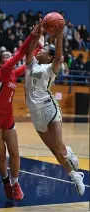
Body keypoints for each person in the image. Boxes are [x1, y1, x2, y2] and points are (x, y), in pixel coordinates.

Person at [0, 23, 43, 200]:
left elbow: (30, 61)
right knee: (1, 155)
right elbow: (20, 54)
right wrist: (32, 35)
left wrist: (40, 44)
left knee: (15, 153)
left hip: (8, 117)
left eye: (10, 55)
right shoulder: (2, 72)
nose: (11, 57)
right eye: (7, 56)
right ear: (2, 62)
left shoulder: (13, 74)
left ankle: (15, 183)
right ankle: (5, 182)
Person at [25, 23, 85, 196]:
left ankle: (71, 165)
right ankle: (74, 173)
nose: (39, 51)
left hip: (49, 109)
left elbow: (59, 57)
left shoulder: (50, 68)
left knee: (59, 148)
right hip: (36, 115)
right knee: (54, 150)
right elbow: (29, 50)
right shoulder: (31, 64)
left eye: (43, 51)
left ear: (49, 57)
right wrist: (36, 34)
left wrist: (59, 37)